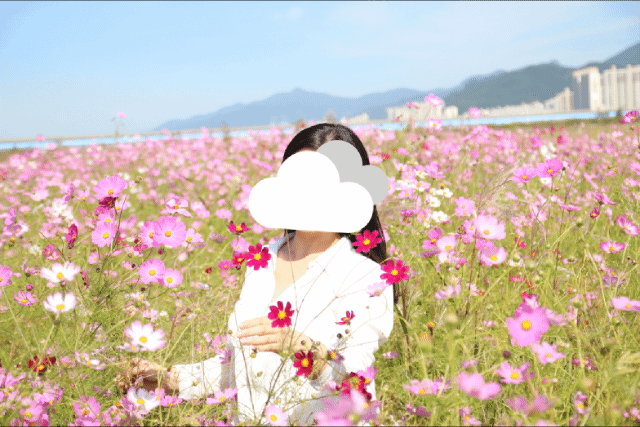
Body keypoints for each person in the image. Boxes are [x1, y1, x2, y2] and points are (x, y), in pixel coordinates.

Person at [116, 123, 397, 425]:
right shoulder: (261, 261)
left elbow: (356, 381)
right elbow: (237, 366)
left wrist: (305, 351)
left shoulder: (364, 276)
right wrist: (168, 379)